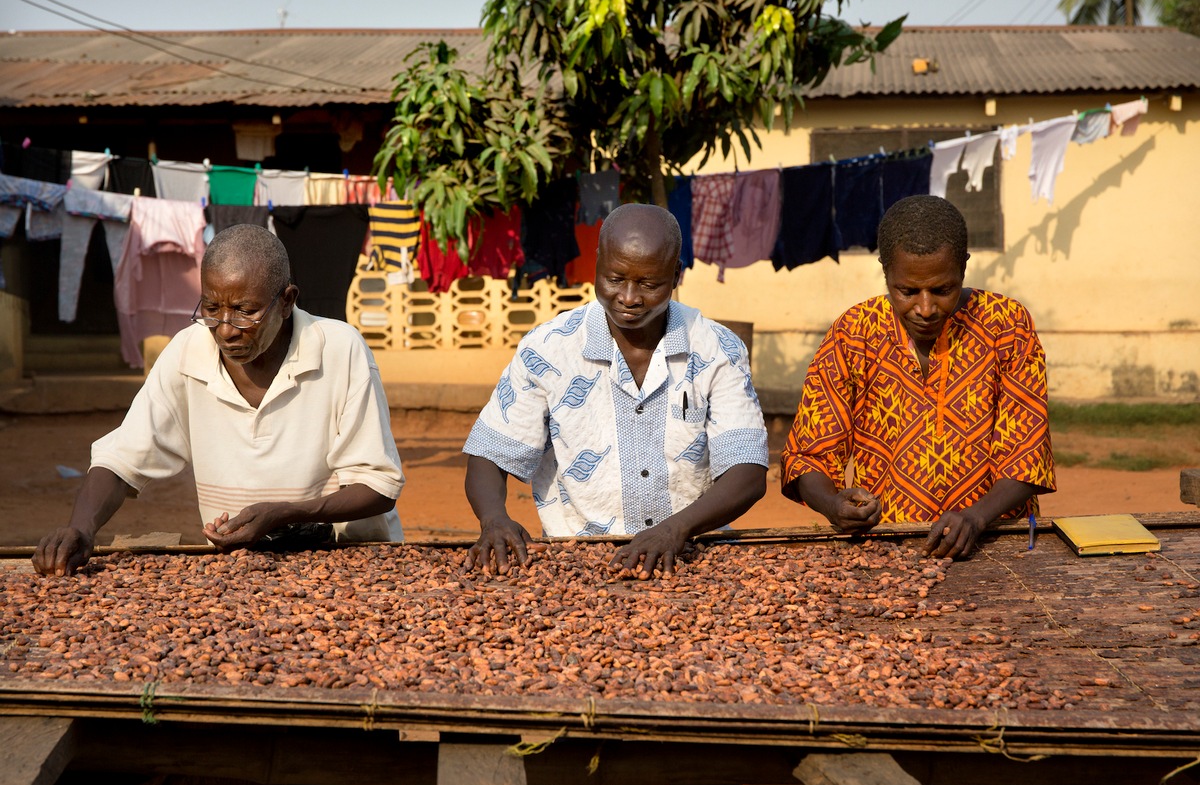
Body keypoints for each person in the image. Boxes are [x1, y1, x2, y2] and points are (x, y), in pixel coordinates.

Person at [33, 224, 404, 576]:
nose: (226, 329)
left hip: (348, 560)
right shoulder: (188, 351)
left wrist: (286, 514)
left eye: (245, 311)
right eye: (211, 308)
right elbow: (122, 458)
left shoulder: (340, 349)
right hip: (238, 567)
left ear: (287, 301)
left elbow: (378, 486)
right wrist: (81, 527)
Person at [462, 202, 769, 579]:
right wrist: (494, 518)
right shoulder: (548, 347)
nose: (628, 297)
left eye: (648, 284)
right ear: (597, 263)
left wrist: (676, 529)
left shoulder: (717, 348)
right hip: (578, 564)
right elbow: (491, 455)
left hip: (692, 557)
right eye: (614, 278)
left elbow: (747, 472)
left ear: (676, 274)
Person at [780, 195, 1055, 559]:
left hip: (999, 544)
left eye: (943, 290)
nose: (925, 309)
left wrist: (976, 518)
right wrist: (833, 504)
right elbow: (808, 455)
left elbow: (1027, 455)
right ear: (885, 272)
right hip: (886, 550)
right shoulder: (854, 333)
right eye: (907, 292)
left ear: (963, 268)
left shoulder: (1007, 326)